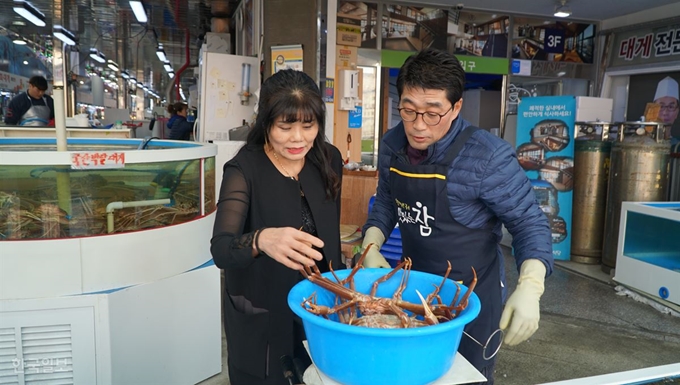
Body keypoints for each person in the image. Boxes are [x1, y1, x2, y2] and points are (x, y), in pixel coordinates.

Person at [360, 48, 553, 384]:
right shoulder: (392, 144)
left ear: (456, 107)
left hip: (471, 301)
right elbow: (387, 201)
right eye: (408, 110)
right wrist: (372, 243)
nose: (418, 125)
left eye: (433, 113)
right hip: (412, 291)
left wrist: (531, 288)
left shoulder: (488, 156)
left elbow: (528, 222)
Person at [210, 69, 344, 385]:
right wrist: (261, 239)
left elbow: (330, 229)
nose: (298, 138)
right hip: (263, 311)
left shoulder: (328, 158)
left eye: (308, 126)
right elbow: (221, 249)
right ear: (266, 123)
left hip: (318, 307)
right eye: (285, 126)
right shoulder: (244, 169)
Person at [652, 76, 679, 143]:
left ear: (677, 112)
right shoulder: (641, 142)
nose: (665, 113)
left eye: (671, 107)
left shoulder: (677, 146)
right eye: (661, 106)